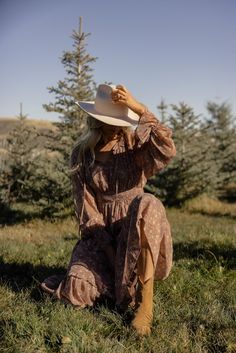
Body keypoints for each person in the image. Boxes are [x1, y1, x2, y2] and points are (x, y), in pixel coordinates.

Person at [41, 84, 177, 336]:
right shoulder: (82, 155)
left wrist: (138, 107)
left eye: (121, 120)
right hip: (101, 232)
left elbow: (167, 147)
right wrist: (110, 250)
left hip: (137, 226)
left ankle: (146, 303)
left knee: (147, 203)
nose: (117, 127)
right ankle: (119, 287)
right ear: (96, 122)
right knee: (76, 286)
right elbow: (85, 208)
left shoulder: (134, 144)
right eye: (110, 121)